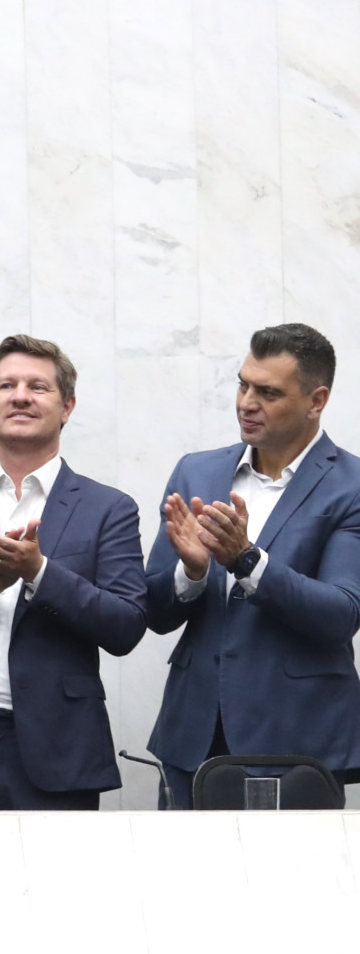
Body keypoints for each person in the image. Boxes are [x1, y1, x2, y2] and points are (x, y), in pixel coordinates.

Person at [0, 336, 147, 810]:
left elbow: (125, 624)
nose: (20, 396)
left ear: (67, 406)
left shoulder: (109, 508)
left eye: (38, 387)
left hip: (59, 746)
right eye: (7, 385)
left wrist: (39, 572)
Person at [145, 323, 360, 808]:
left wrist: (246, 560)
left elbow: (341, 613)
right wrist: (193, 573)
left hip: (298, 742)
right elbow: (154, 612)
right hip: (194, 735)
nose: (246, 402)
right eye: (243, 384)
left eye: (268, 392)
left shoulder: (352, 486)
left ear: (316, 399)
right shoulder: (196, 471)